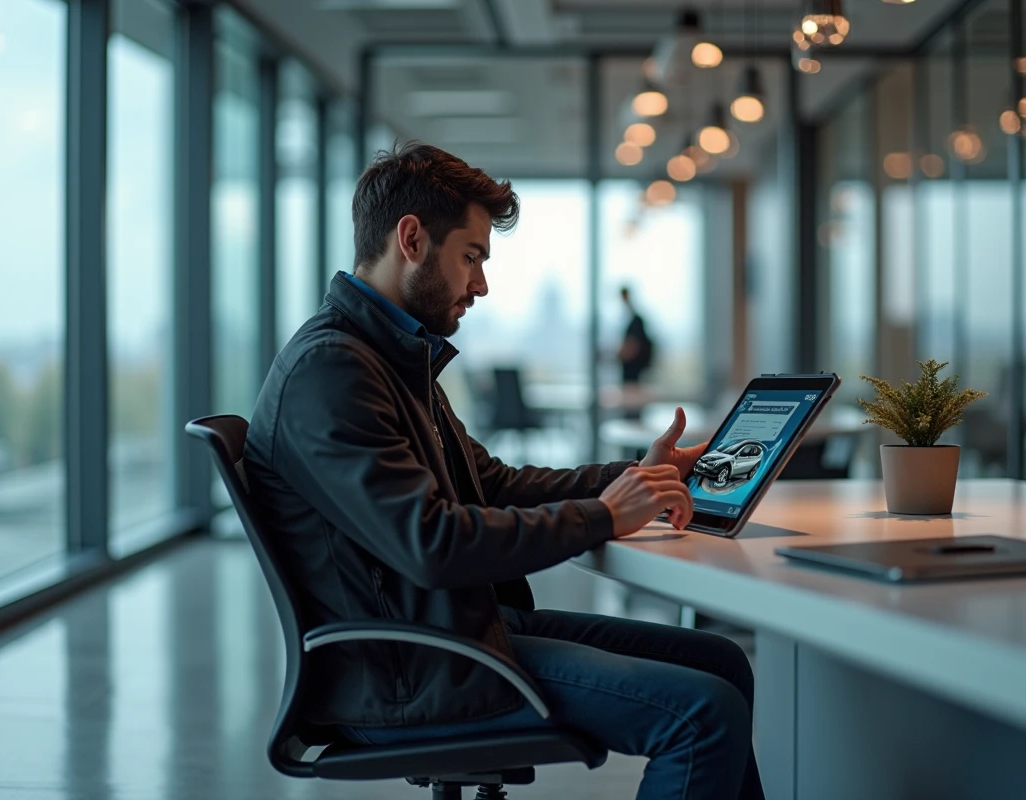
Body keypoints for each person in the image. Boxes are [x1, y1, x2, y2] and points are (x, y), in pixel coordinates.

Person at [244, 141, 765, 800]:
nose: (481, 285)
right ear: (411, 239)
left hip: (447, 634)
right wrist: (605, 515)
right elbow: (433, 545)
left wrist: (636, 478)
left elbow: (490, 486)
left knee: (717, 660)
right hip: (411, 669)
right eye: (472, 257)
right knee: (702, 713)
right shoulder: (334, 373)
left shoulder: (386, 358)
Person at [618, 285, 654, 387]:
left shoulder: (635, 320)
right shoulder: (630, 319)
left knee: (632, 396)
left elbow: (633, 345)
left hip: (634, 369)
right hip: (632, 368)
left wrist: (622, 354)